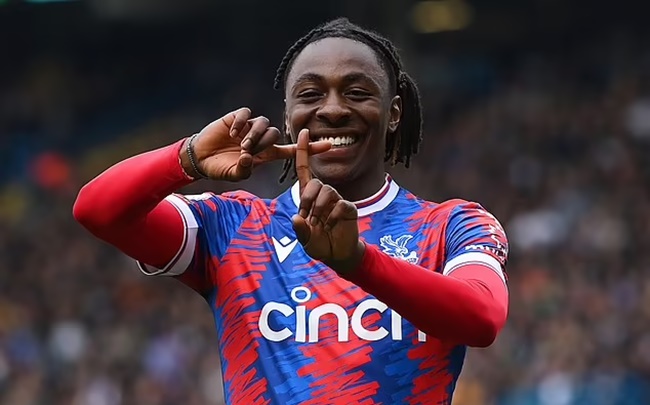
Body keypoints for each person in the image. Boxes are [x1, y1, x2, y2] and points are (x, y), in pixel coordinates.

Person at [73, 18, 509, 405]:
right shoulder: (233, 227)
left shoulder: (451, 225)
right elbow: (97, 210)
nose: (333, 109)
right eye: (310, 94)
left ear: (393, 113)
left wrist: (357, 261)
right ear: (288, 115)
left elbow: (482, 318)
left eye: (357, 92)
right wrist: (186, 159)